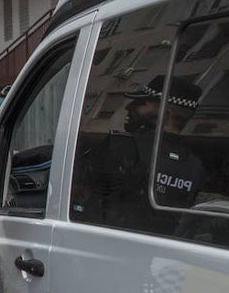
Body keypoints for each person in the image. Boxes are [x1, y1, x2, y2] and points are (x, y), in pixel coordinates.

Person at [73, 74, 205, 232]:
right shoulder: (196, 168)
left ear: (166, 113)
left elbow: (83, 201)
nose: (129, 107)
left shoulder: (123, 147)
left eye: (142, 103)